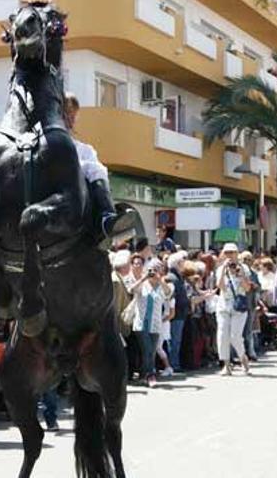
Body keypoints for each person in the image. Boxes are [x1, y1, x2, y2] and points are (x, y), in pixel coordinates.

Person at [63, 93, 128, 238]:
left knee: (96, 167)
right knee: (93, 168)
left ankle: (107, 219)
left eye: (74, 113)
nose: (71, 117)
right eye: (67, 112)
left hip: (82, 192)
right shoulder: (47, 143)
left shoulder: (85, 149)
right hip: (61, 185)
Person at [128, 256, 171, 387]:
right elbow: (131, 290)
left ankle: (144, 375)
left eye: (157, 269)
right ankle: (150, 375)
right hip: (141, 324)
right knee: (147, 349)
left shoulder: (162, 286)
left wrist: (160, 279)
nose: (154, 272)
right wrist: (144, 277)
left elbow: (168, 293)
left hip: (155, 324)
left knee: (151, 351)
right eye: (152, 269)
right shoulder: (143, 285)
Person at [215, 243, 251, 376]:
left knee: (235, 336)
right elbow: (220, 287)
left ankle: (243, 358)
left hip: (239, 307)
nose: (230, 256)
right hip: (224, 305)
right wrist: (224, 269)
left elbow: (247, 288)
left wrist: (240, 275)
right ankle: (226, 364)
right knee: (222, 334)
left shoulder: (244, 268)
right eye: (227, 253)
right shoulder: (220, 269)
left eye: (232, 252)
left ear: (237, 254)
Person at [165, 251, 189, 371]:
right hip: (176, 313)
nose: (184, 264)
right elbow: (171, 297)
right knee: (174, 340)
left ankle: (175, 363)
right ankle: (173, 364)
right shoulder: (171, 277)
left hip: (180, 312)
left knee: (176, 340)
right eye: (182, 262)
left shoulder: (178, 277)